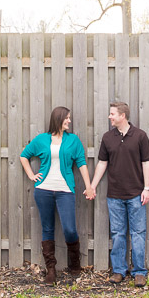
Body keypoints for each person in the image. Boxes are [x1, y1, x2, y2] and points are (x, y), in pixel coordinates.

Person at [20, 106, 91, 285]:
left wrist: (89, 186)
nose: (69, 121)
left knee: (69, 229)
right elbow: (24, 155)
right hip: (43, 189)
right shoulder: (42, 139)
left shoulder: (73, 140)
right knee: (47, 228)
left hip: (65, 190)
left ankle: (75, 263)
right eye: (66, 118)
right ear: (58, 119)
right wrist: (31, 175)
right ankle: (51, 270)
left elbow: (81, 163)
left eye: (69, 118)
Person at [86, 101, 149, 287]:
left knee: (138, 233)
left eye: (112, 114)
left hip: (136, 195)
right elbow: (102, 163)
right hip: (114, 195)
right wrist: (92, 186)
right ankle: (118, 271)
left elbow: (146, 163)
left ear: (122, 115)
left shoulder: (140, 136)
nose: (110, 117)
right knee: (117, 233)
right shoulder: (108, 138)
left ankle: (139, 272)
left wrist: (146, 188)